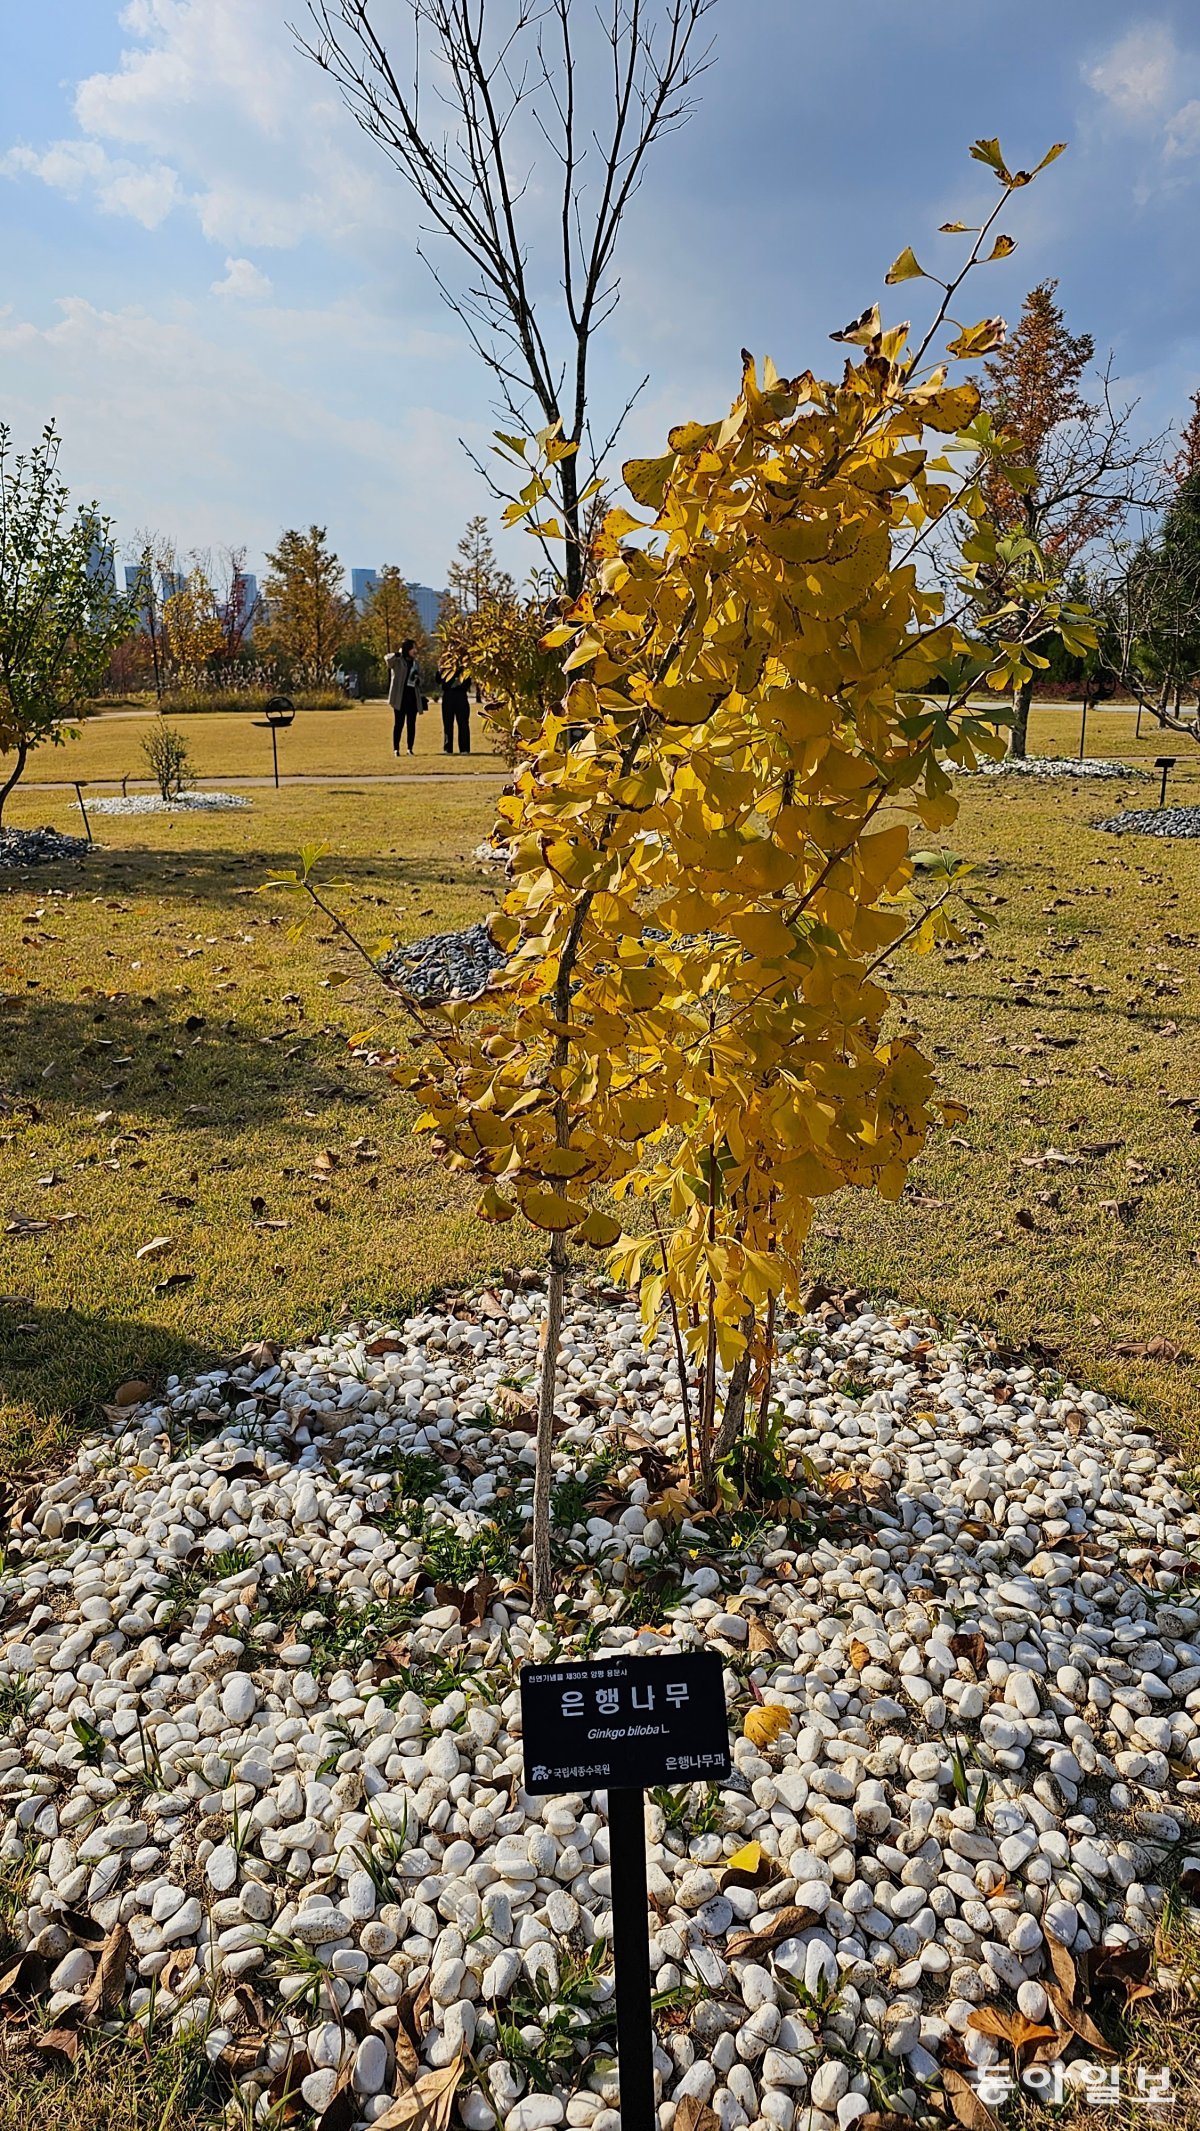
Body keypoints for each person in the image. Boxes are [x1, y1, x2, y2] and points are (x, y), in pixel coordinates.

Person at [386, 640, 424, 755]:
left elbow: (422, 678)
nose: (415, 651)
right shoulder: (398, 661)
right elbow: (388, 660)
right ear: (407, 649)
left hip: (412, 697)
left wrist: (418, 679)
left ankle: (409, 749)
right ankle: (396, 749)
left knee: (411, 724)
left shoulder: (415, 663)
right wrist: (397, 654)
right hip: (400, 697)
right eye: (413, 648)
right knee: (399, 723)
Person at [440, 667, 472, 755]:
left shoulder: (464, 668)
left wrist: (458, 684)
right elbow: (438, 679)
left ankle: (464, 748)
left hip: (461, 696)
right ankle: (448, 748)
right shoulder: (445, 667)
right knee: (447, 724)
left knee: (463, 723)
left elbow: (467, 682)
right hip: (448, 696)